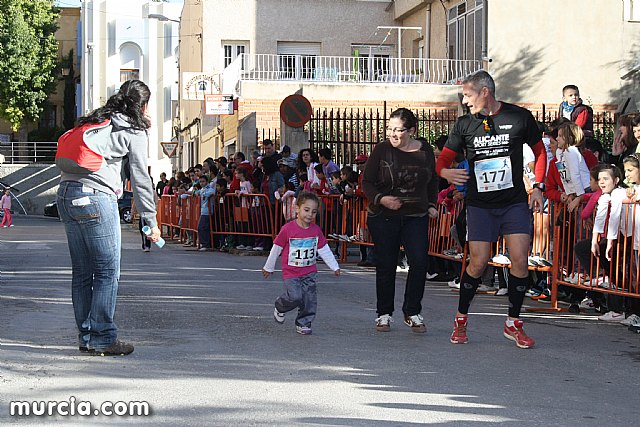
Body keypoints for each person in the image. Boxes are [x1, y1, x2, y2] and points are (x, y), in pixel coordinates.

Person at [435, 71, 546, 349]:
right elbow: (443, 161)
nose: (464, 100)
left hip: (513, 202)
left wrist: (539, 187)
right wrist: (447, 172)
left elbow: (541, 151)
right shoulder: (464, 124)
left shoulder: (519, 117)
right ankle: (461, 318)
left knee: (520, 259)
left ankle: (513, 322)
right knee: (478, 262)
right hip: (480, 205)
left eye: (468, 95)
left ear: (485, 92)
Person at [56, 79, 160, 356]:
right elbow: (140, 178)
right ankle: (102, 338)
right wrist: (150, 220)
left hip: (66, 193)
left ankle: (86, 336)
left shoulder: (96, 119)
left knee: (82, 272)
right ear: (144, 105)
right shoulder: (135, 130)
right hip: (96, 198)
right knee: (106, 272)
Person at [362, 108, 438, 333]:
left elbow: (432, 181)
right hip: (384, 216)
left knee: (419, 262)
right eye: (389, 129)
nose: (392, 134)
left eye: (398, 130)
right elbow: (367, 182)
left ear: (412, 130)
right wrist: (382, 199)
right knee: (386, 264)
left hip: (416, 215)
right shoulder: (382, 150)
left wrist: (432, 204)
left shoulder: (425, 151)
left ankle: (412, 311)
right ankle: (384, 314)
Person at [262, 191, 340, 335]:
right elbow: (276, 248)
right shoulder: (287, 229)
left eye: (314, 211)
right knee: (295, 297)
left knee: (310, 299)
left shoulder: (316, 230)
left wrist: (334, 266)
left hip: (309, 272)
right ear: (296, 209)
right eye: (306, 210)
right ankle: (280, 306)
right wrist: (269, 266)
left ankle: (304, 322)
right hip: (291, 273)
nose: (310, 214)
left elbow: (324, 249)